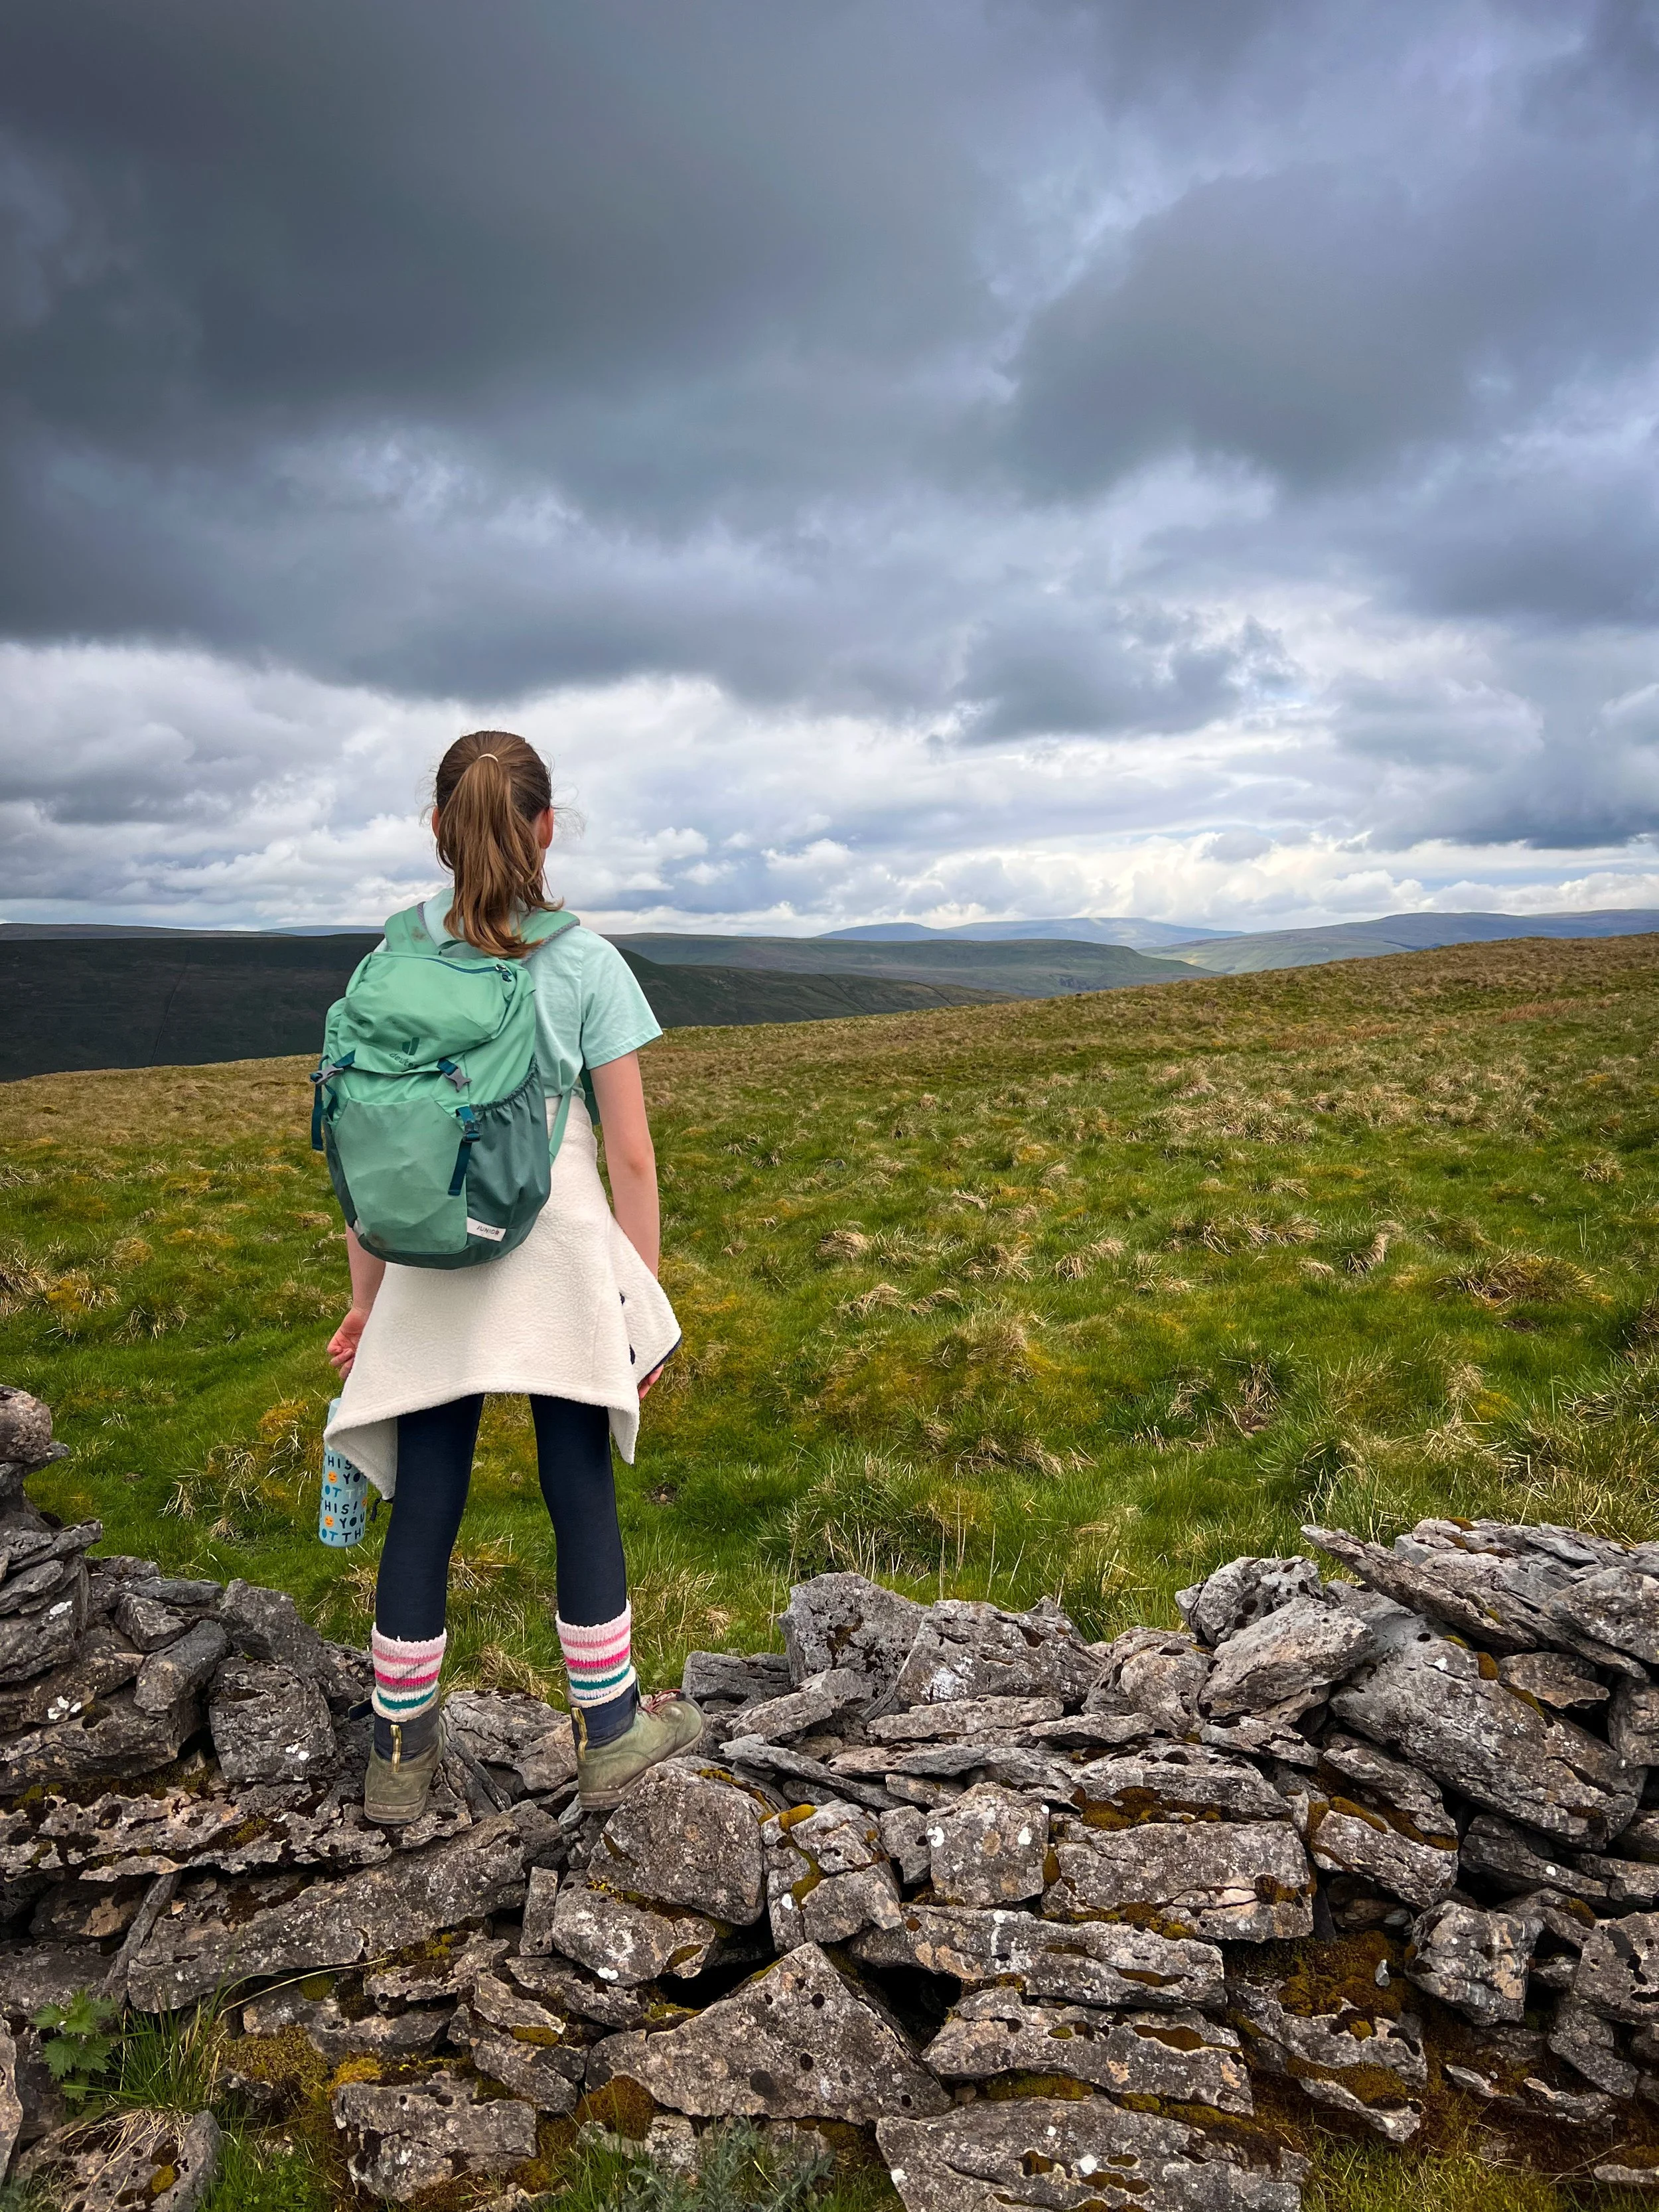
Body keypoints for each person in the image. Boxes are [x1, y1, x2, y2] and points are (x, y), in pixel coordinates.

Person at [322, 730, 700, 1824]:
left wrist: (366, 1301)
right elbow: (631, 1156)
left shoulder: (386, 963)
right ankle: (613, 1731)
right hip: (556, 1254)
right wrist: (645, 1309)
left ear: (437, 829)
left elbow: (369, 1154)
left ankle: (398, 1759)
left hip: (431, 1255)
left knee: (426, 1497)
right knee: (574, 1479)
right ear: (543, 827)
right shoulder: (584, 961)